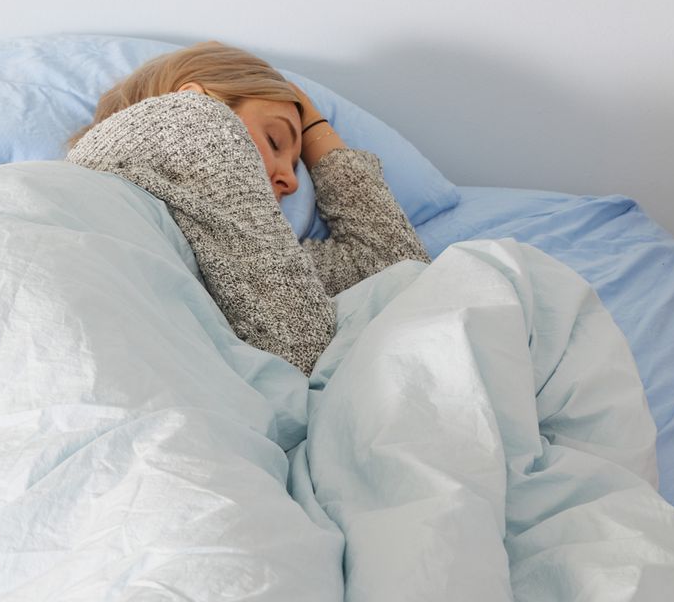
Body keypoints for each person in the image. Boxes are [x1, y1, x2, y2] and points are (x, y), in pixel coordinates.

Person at [65, 41, 430, 375]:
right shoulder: (190, 120)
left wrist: (316, 128)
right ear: (193, 98)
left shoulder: (251, 253)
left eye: (294, 161)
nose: (292, 181)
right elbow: (300, 349)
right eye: (274, 140)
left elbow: (401, 272)